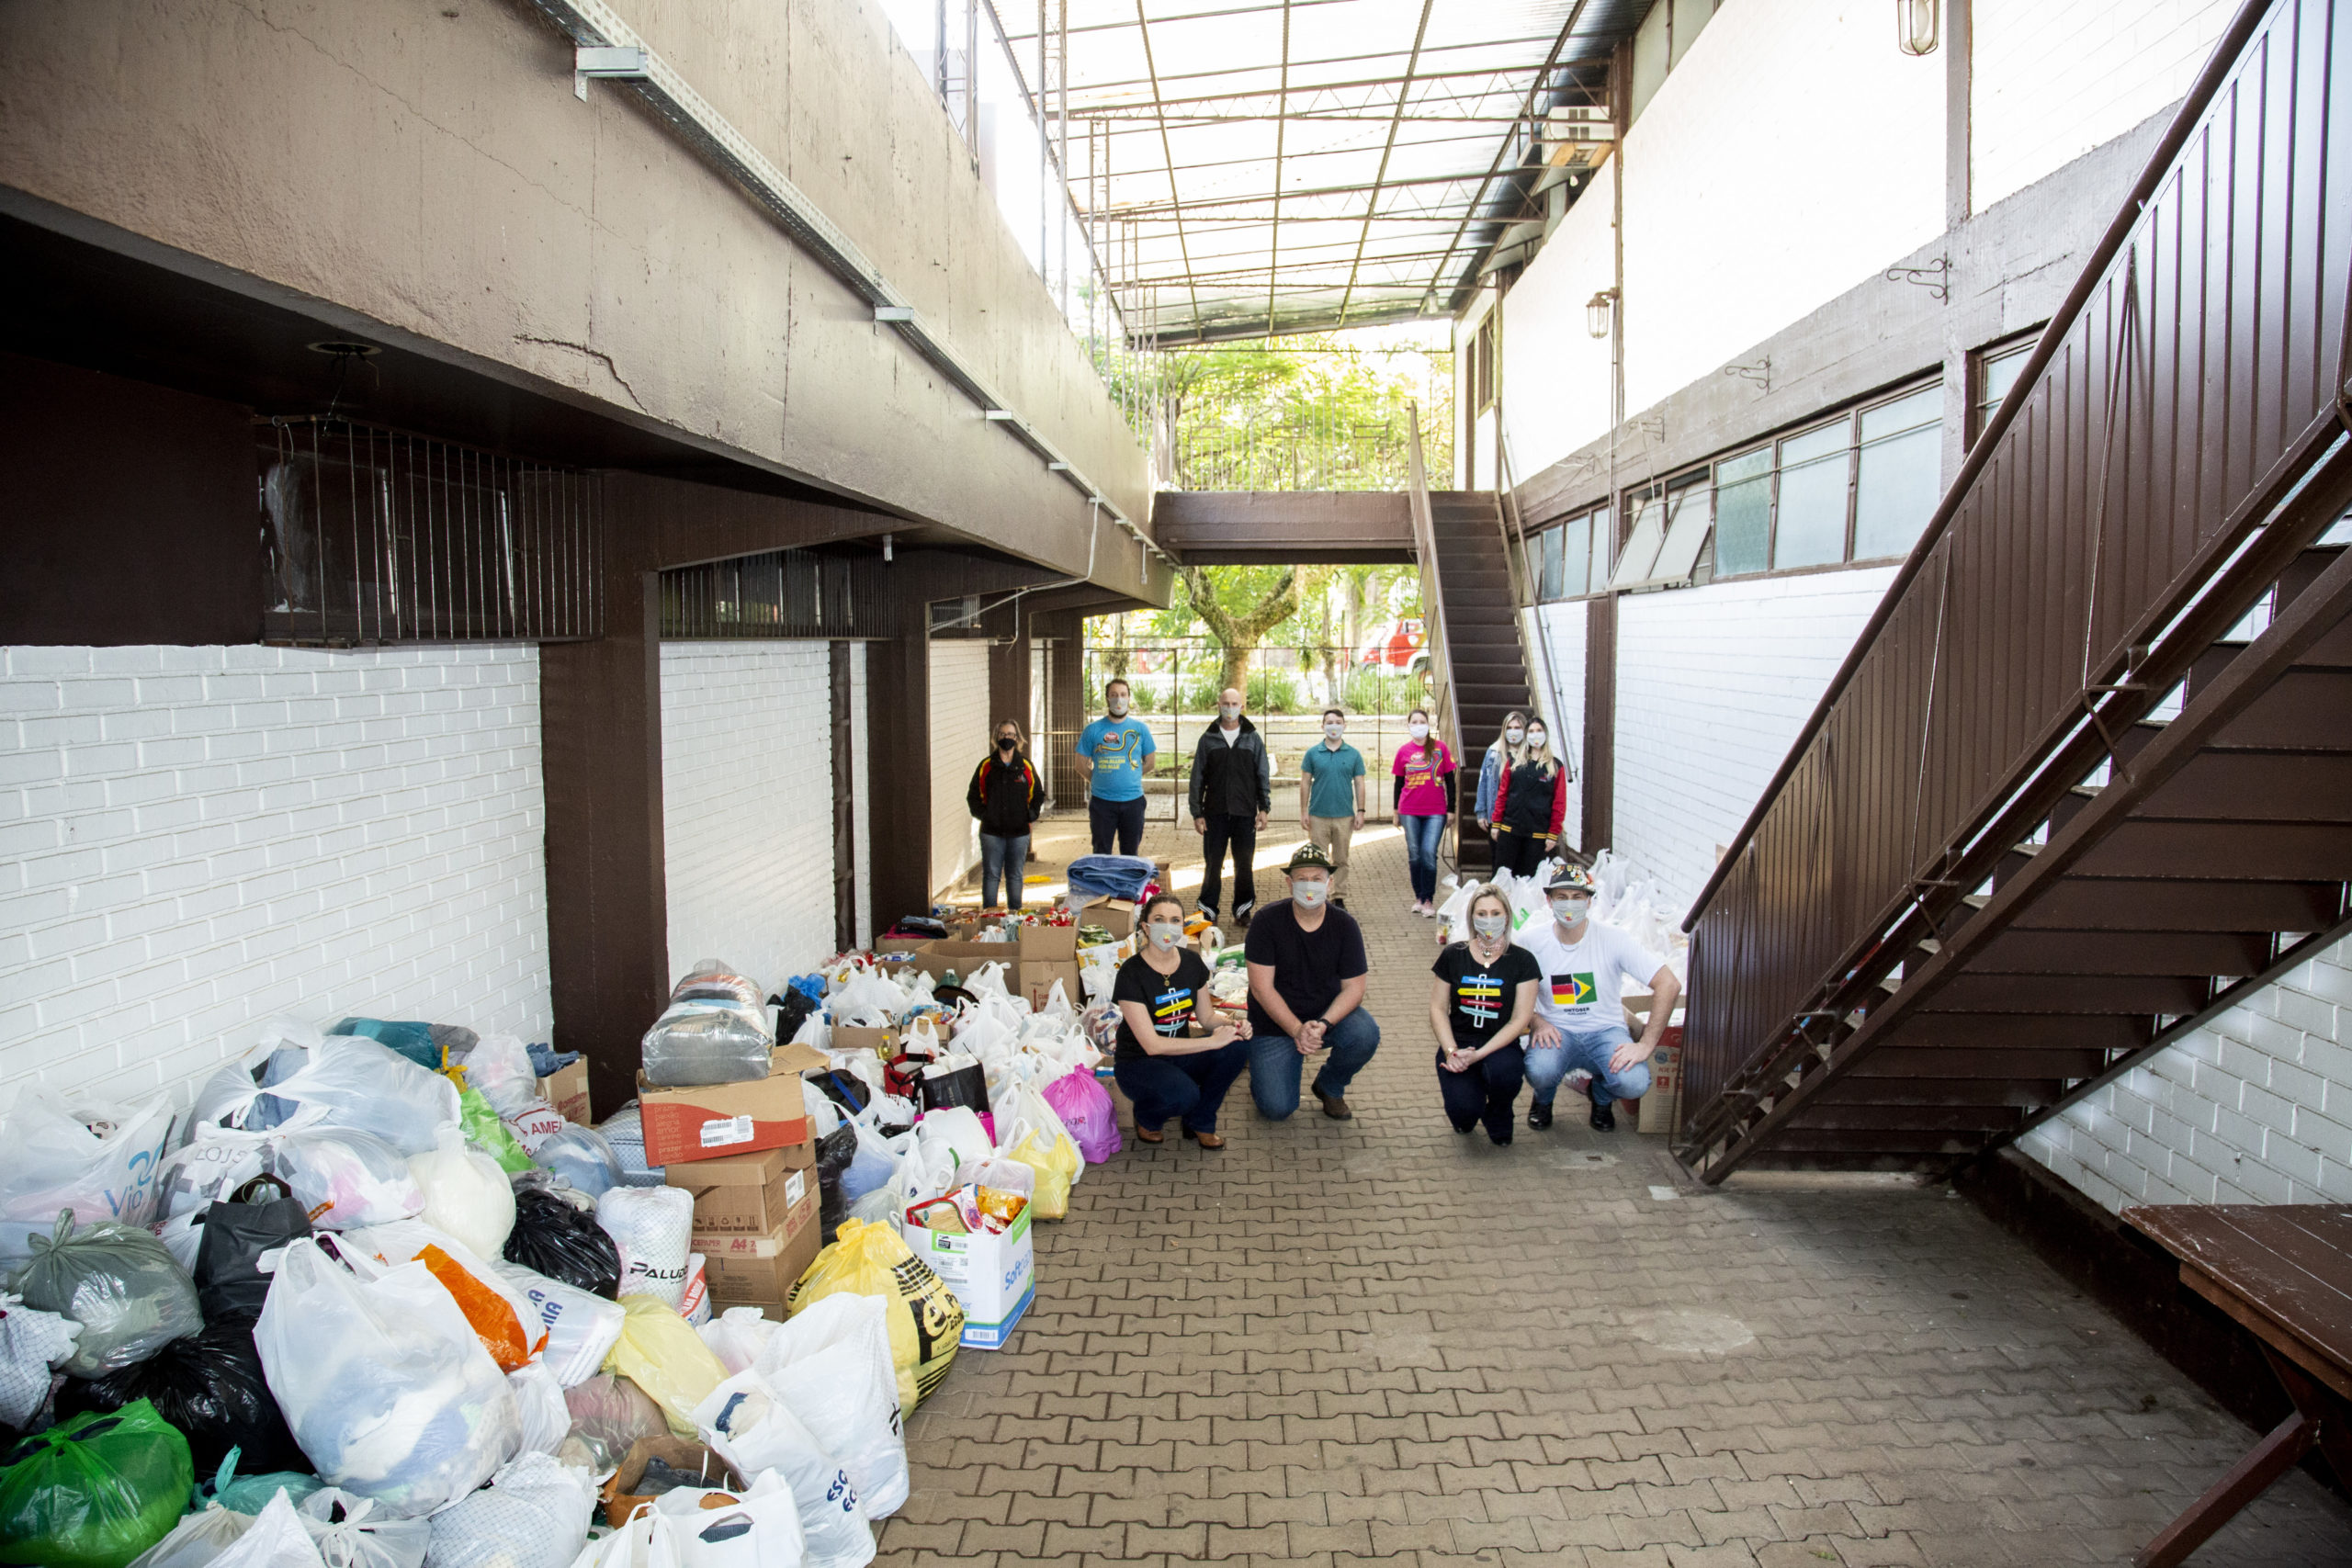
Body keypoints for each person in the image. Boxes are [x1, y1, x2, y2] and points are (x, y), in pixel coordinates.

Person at [1520, 865, 1680, 1132]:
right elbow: (1513, 992)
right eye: (1561, 897)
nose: (1569, 904)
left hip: (1605, 1032)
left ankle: (1602, 1097)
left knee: (1634, 1083)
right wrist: (1536, 1021)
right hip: (1556, 1032)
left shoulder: (1614, 939)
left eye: (1577, 896)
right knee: (1539, 1069)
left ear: (1589, 900)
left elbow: (1669, 983)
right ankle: (1543, 1100)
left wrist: (1647, 1044)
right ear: (1548, 900)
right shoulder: (1530, 941)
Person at [1244, 843, 1380, 1121]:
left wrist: (1324, 1024)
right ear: (1289, 883)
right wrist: (1296, 1029)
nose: (1309, 885)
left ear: (1329, 884)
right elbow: (1261, 988)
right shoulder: (1266, 922)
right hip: (1274, 1023)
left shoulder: (1345, 925)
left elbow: (1355, 988)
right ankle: (1263, 1076)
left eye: (1317, 879)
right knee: (1276, 1109)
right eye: (1302, 878)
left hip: (1325, 1018)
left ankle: (1330, 1086)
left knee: (1365, 1034)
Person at [1111, 894, 1253, 1148]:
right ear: (1145, 926)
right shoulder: (1131, 974)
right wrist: (1211, 1043)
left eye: (1175, 920)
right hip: (1139, 1063)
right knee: (1184, 1095)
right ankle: (1147, 1117)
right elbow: (1153, 1045)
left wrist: (1233, 1025)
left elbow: (1207, 1017)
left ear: (1182, 927)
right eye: (1159, 919)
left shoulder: (1191, 962)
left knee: (1238, 1046)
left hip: (1179, 1054)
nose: (1168, 926)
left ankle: (1201, 1121)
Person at [1429, 883, 1541, 1144]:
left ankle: (1499, 1110)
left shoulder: (1523, 961)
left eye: (1495, 913)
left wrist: (1479, 1055)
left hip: (1501, 1043)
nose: (1488, 920)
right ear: (1471, 918)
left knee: (1505, 1074)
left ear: (1507, 916)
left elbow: (1520, 1019)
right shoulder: (1453, 956)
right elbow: (1437, 1008)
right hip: (1458, 1042)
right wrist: (1451, 1051)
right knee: (1464, 1117)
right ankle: (1472, 1102)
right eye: (1481, 914)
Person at [1188, 687, 1271, 926]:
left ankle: (1243, 910)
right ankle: (1208, 910)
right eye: (1226, 703)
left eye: (1235, 703)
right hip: (1214, 813)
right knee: (1213, 863)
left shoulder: (1252, 738)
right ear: (1219, 705)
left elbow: (1262, 774)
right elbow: (1197, 778)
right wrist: (1197, 813)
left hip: (1245, 813)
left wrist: (1264, 808)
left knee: (1244, 863)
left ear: (1242, 706)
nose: (1230, 708)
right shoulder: (1208, 739)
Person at [966, 719, 1044, 908]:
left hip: (1019, 832)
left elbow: (1038, 794)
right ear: (996, 737)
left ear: (1017, 738)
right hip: (991, 832)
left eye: (1010, 734)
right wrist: (985, 815)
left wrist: (1030, 815)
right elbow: (973, 796)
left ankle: (1014, 918)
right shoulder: (986, 766)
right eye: (1002, 734)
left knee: (1015, 875)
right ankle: (989, 919)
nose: (1006, 738)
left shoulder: (1025, 766)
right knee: (991, 875)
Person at [1295, 708, 1366, 908]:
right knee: (1318, 860)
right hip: (1318, 815)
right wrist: (1303, 811)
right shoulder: (1312, 754)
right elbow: (1305, 782)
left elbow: (1360, 783)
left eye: (1337, 722)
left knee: (1341, 859)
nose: (1333, 726)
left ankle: (1339, 896)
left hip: (1344, 816)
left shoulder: (1353, 754)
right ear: (1322, 726)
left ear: (1344, 725)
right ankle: (1319, 896)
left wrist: (1361, 811)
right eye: (1329, 722)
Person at [1076, 678, 1156, 855]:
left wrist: (1131, 775)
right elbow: (1080, 764)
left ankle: (1127, 884)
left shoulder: (1140, 729)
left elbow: (1150, 762)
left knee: (1130, 855)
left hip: (1133, 802)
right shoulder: (1093, 730)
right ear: (1106, 698)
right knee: (1101, 853)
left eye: (1123, 695)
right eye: (1114, 695)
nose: (1118, 699)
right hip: (1102, 804)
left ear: (1129, 698)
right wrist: (1097, 780)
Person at [1392, 708, 1455, 917]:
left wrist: (1451, 809)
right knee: (1415, 854)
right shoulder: (1403, 751)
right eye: (1414, 722)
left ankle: (1429, 899)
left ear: (1429, 724)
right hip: (1409, 810)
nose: (1418, 725)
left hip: (1435, 811)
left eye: (1422, 721)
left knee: (1429, 853)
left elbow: (1451, 780)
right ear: (1409, 725)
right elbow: (1399, 783)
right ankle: (1418, 897)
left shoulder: (1440, 749)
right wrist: (1396, 811)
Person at [1488, 716, 1568, 879]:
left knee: (1529, 881)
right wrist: (1496, 823)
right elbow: (1502, 794)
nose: (1535, 734)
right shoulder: (1514, 762)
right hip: (1510, 829)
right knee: (1502, 879)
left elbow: (1559, 803)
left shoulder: (1555, 766)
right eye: (1531, 731)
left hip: (1538, 835)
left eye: (1539, 731)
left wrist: (1553, 833)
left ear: (1545, 734)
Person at [1475, 711, 1529, 832]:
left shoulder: (1531, 754)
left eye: (1517, 728)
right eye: (1509, 728)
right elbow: (1483, 782)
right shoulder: (1494, 752)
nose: (1513, 731)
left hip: (1523, 818)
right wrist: (1481, 812)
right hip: (1498, 815)